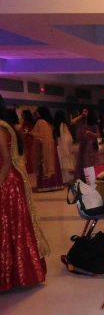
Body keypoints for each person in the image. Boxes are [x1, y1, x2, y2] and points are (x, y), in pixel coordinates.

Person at [0, 106, 49, 292]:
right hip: (8, 181)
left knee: (10, 228)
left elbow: (5, 160)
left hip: (7, 183)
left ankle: (16, 274)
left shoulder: (1, 129)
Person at [30, 107, 63, 192]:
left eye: (37, 113)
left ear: (41, 113)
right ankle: (56, 184)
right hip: (52, 147)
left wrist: (30, 134)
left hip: (44, 148)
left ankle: (45, 186)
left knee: (45, 164)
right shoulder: (50, 122)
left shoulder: (40, 122)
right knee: (53, 165)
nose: (35, 114)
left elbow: (39, 137)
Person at [74, 108, 100, 181]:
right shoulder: (81, 122)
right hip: (83, 144)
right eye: (83, 111)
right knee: (82, 161)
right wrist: (81, 116)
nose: (84, 113)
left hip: (90, 145)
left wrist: (90, 133)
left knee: (88, 162)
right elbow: (72, 121)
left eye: (85, 111)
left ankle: (90, 178)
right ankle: (84, 178)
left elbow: (98, 135)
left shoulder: (93, 124)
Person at [53, 110, 76, 184]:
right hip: (64, 147)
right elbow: (67, 138)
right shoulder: (63, 124)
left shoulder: (56, 125)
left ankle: (63, 180)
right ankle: (69, 180)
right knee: (67, 163)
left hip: (59, 146)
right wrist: (69, 147)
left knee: (62, 164)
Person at [21, 109, 36, 174]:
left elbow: (25, 131)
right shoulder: (32, 121)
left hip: (28, 139)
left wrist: (23, 136)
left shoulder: (26, 122)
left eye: (22, 114)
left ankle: (30, 170)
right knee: (31, 155)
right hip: (31, 139)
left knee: (28, 155)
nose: (21, 115)